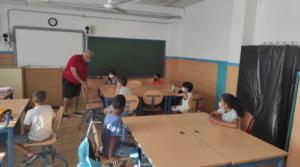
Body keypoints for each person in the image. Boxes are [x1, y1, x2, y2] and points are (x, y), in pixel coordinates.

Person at [13, 90, 56, 166]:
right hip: (49, 135)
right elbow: (53, 119)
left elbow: (25, 128)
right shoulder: (49, 108)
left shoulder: (30, 112)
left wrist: (26, 131)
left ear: (32, 100)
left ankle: (30, 154)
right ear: (46, 100)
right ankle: (50, 148)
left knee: (9, 141)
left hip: (35, 138)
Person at [101, 95, 140, 166]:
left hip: (105, 146)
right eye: (124, 107)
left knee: (134, 145)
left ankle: (122, 165)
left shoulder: (109, 112)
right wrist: (111, 156)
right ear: (121, 108)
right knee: (136, 152)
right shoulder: (117, 120)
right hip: (111, 150)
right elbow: (112, 140)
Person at [63, 51, 93, 118]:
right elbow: (73, 70)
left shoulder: (85, 63)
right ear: (85, 55)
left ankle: (75, 111)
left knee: (77, 96)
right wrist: (81, 82)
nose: (90, 59)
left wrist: (85, 83)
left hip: (78, 81)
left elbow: (84, 74)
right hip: (69, 79)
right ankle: (64, 112)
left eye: (91, 58)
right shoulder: (76, 58)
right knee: (67, 96)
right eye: (89, 57)